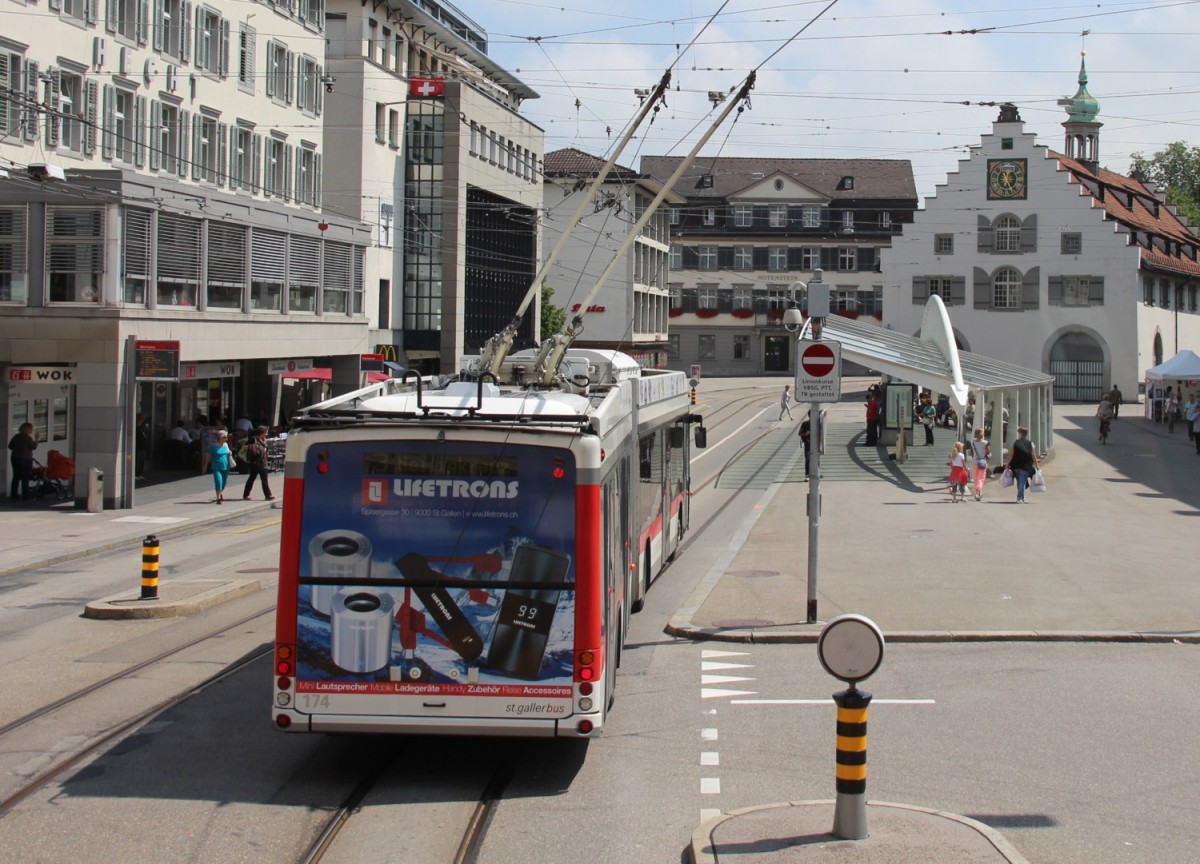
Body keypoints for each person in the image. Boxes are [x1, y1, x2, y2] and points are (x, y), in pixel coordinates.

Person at [1006, 426, 1039, 503]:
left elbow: (1011, 454)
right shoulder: (1030, 443)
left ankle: (1020, 497)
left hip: (1016, 465)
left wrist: (1007, 464)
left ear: (1020, 433)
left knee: (1020, 481)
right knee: (1022, 481)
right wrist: (1037, 465)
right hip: (1026, 466)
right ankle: (1020, 497)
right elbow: (1033, 455)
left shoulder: (1015, 442)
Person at [241, 427, 276, 501]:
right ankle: (246, 494)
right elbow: (244, 447)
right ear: (261, 433)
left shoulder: (264, 440)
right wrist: (252, 447)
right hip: (255, 462)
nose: (267, 434)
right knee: (252, 479)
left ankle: (268, 495)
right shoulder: (253, 439)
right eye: (265, 432)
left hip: (263, 462)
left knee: (264, 479)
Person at [8, 422, 37, 503]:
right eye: (31, 429)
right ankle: (26, 497)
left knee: (16, 476)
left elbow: (10, 446)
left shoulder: (16, 436)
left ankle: (13, 495)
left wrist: (17, 449)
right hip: (26, 458)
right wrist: (37, 439)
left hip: (15, 457)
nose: (31, 430)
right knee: (25, 477)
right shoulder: (28, 438)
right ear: (27, 429)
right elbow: (33, 447)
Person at [208, 430, 234, 504]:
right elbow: (208, 456)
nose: (226, 438)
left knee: (224, 482)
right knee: (218, 481)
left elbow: (229, 452)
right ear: (219, 437)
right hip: (216, 466)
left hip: (226, 466)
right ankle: (218, 497)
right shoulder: (213, 446)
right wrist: (205, 465)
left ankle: (221, 492)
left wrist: (230, 453)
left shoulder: (226, 445)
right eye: (224, 437)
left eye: (227, 437)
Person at [969, 427, 991, 502]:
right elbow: (988, 452)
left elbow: (970, 452)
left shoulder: (972, 442)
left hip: (975, 462)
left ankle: (978, 493)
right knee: (981, 478)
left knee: (976, 477)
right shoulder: (985, 443)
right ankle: (978, 493)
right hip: (982, 462)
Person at [134, 413, 150, 480]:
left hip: (142, 447)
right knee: (137, 461)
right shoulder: (136, 428)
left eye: (142, 420)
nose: (141, 421)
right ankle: (135, 474)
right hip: (138, 447)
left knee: (141, 461)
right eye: (139, 419)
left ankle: (139, 473)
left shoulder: (141, 428)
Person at [798, 413, 811, 479]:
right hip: (808, 443)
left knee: (816, 459)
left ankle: (816, 473)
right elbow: (799, 433)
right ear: (809, 416)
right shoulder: (805, 424)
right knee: (808, 459)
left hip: (816, 444)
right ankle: (807, 474)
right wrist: (805, 434)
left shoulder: (818, 423)